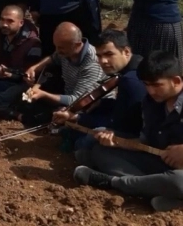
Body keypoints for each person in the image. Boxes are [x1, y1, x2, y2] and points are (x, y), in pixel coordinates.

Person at [72, 51, 183, 213]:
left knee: (178, 182)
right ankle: (162, 195)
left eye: (156, 85)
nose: (151, 91)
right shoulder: (150, 103)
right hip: (159, 164)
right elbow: (144, 143)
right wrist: (116, 142)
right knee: (101, 150)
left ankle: (112, 182)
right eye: (146, 84)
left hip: (177, 176)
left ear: (176, 81)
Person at [54, 29, 145, 152]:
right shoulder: (138, 63)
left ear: (126, 52)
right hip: (135, 123)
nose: (103, 61)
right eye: (99, 56)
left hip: (139, 137)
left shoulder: (130, 80)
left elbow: (121, 124)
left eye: (109, 54)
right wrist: (102, 103)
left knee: (85, 145)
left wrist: (77, 118)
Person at [3, 22, 105, 127]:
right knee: (25, 98)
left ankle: (19, 116)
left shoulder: (92, 64)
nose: (57, 50)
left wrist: (44, 94)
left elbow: (78, 100)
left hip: (83, 106)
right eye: (56, 46)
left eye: (61, 48)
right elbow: (53, 58)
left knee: (49, 116)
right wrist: (36, 68)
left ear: (77, 45)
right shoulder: (67, 50)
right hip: (65, 92)